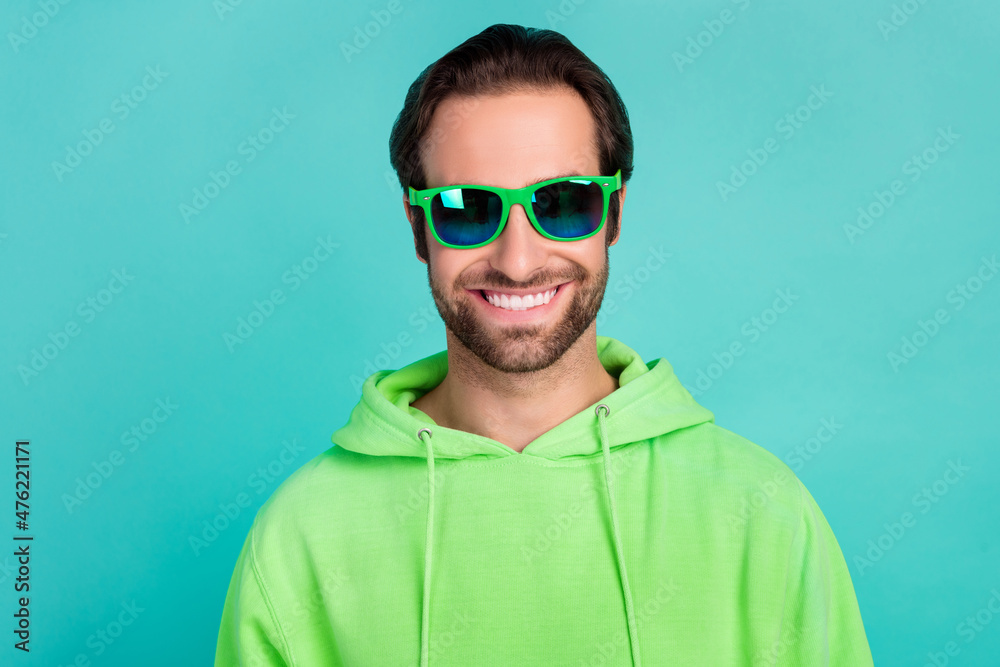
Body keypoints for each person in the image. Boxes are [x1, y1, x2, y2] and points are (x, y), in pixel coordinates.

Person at [215, 23, 874, 666]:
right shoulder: (299, 537)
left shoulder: (764, 513)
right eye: (466, 208)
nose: (519, 260)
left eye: (562, 203)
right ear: (419, 229)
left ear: (613, 216)